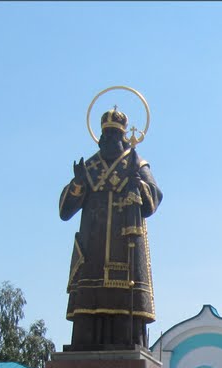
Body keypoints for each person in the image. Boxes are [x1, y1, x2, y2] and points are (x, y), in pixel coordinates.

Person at [60, 107, 163, 350]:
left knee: (125, 310)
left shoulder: (137, 162)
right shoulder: (89, 168)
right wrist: (77, 184)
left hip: (125, 246)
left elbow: (154, 198)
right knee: (88, 308)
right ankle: (86, 343)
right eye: (103, 136)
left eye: (112, 136)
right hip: (93, 248)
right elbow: (65, 211)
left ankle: (127, 341)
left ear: (122, 137)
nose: (106, 141)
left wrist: (138, 185)